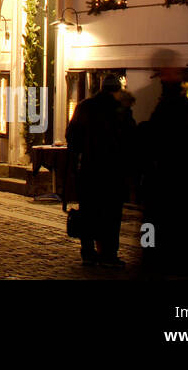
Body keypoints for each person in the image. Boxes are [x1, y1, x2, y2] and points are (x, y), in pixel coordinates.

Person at [137, 80, 188, 273]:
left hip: (160, 185)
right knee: (181, 225)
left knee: (152, 225)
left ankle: (151, 255)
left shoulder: (159, 120)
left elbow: (147, 148)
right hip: (183, 188)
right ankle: (183, 258)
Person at [65, 74, 135, 267]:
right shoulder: (121, 110)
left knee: (89, 210)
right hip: (114, 171)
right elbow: (131, 139)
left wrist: (78, 160)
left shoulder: (85, 107)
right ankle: (109, 253)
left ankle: (87, 251)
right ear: (117, 90)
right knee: (112, 214)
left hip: (90, 169)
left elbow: (72, 136)